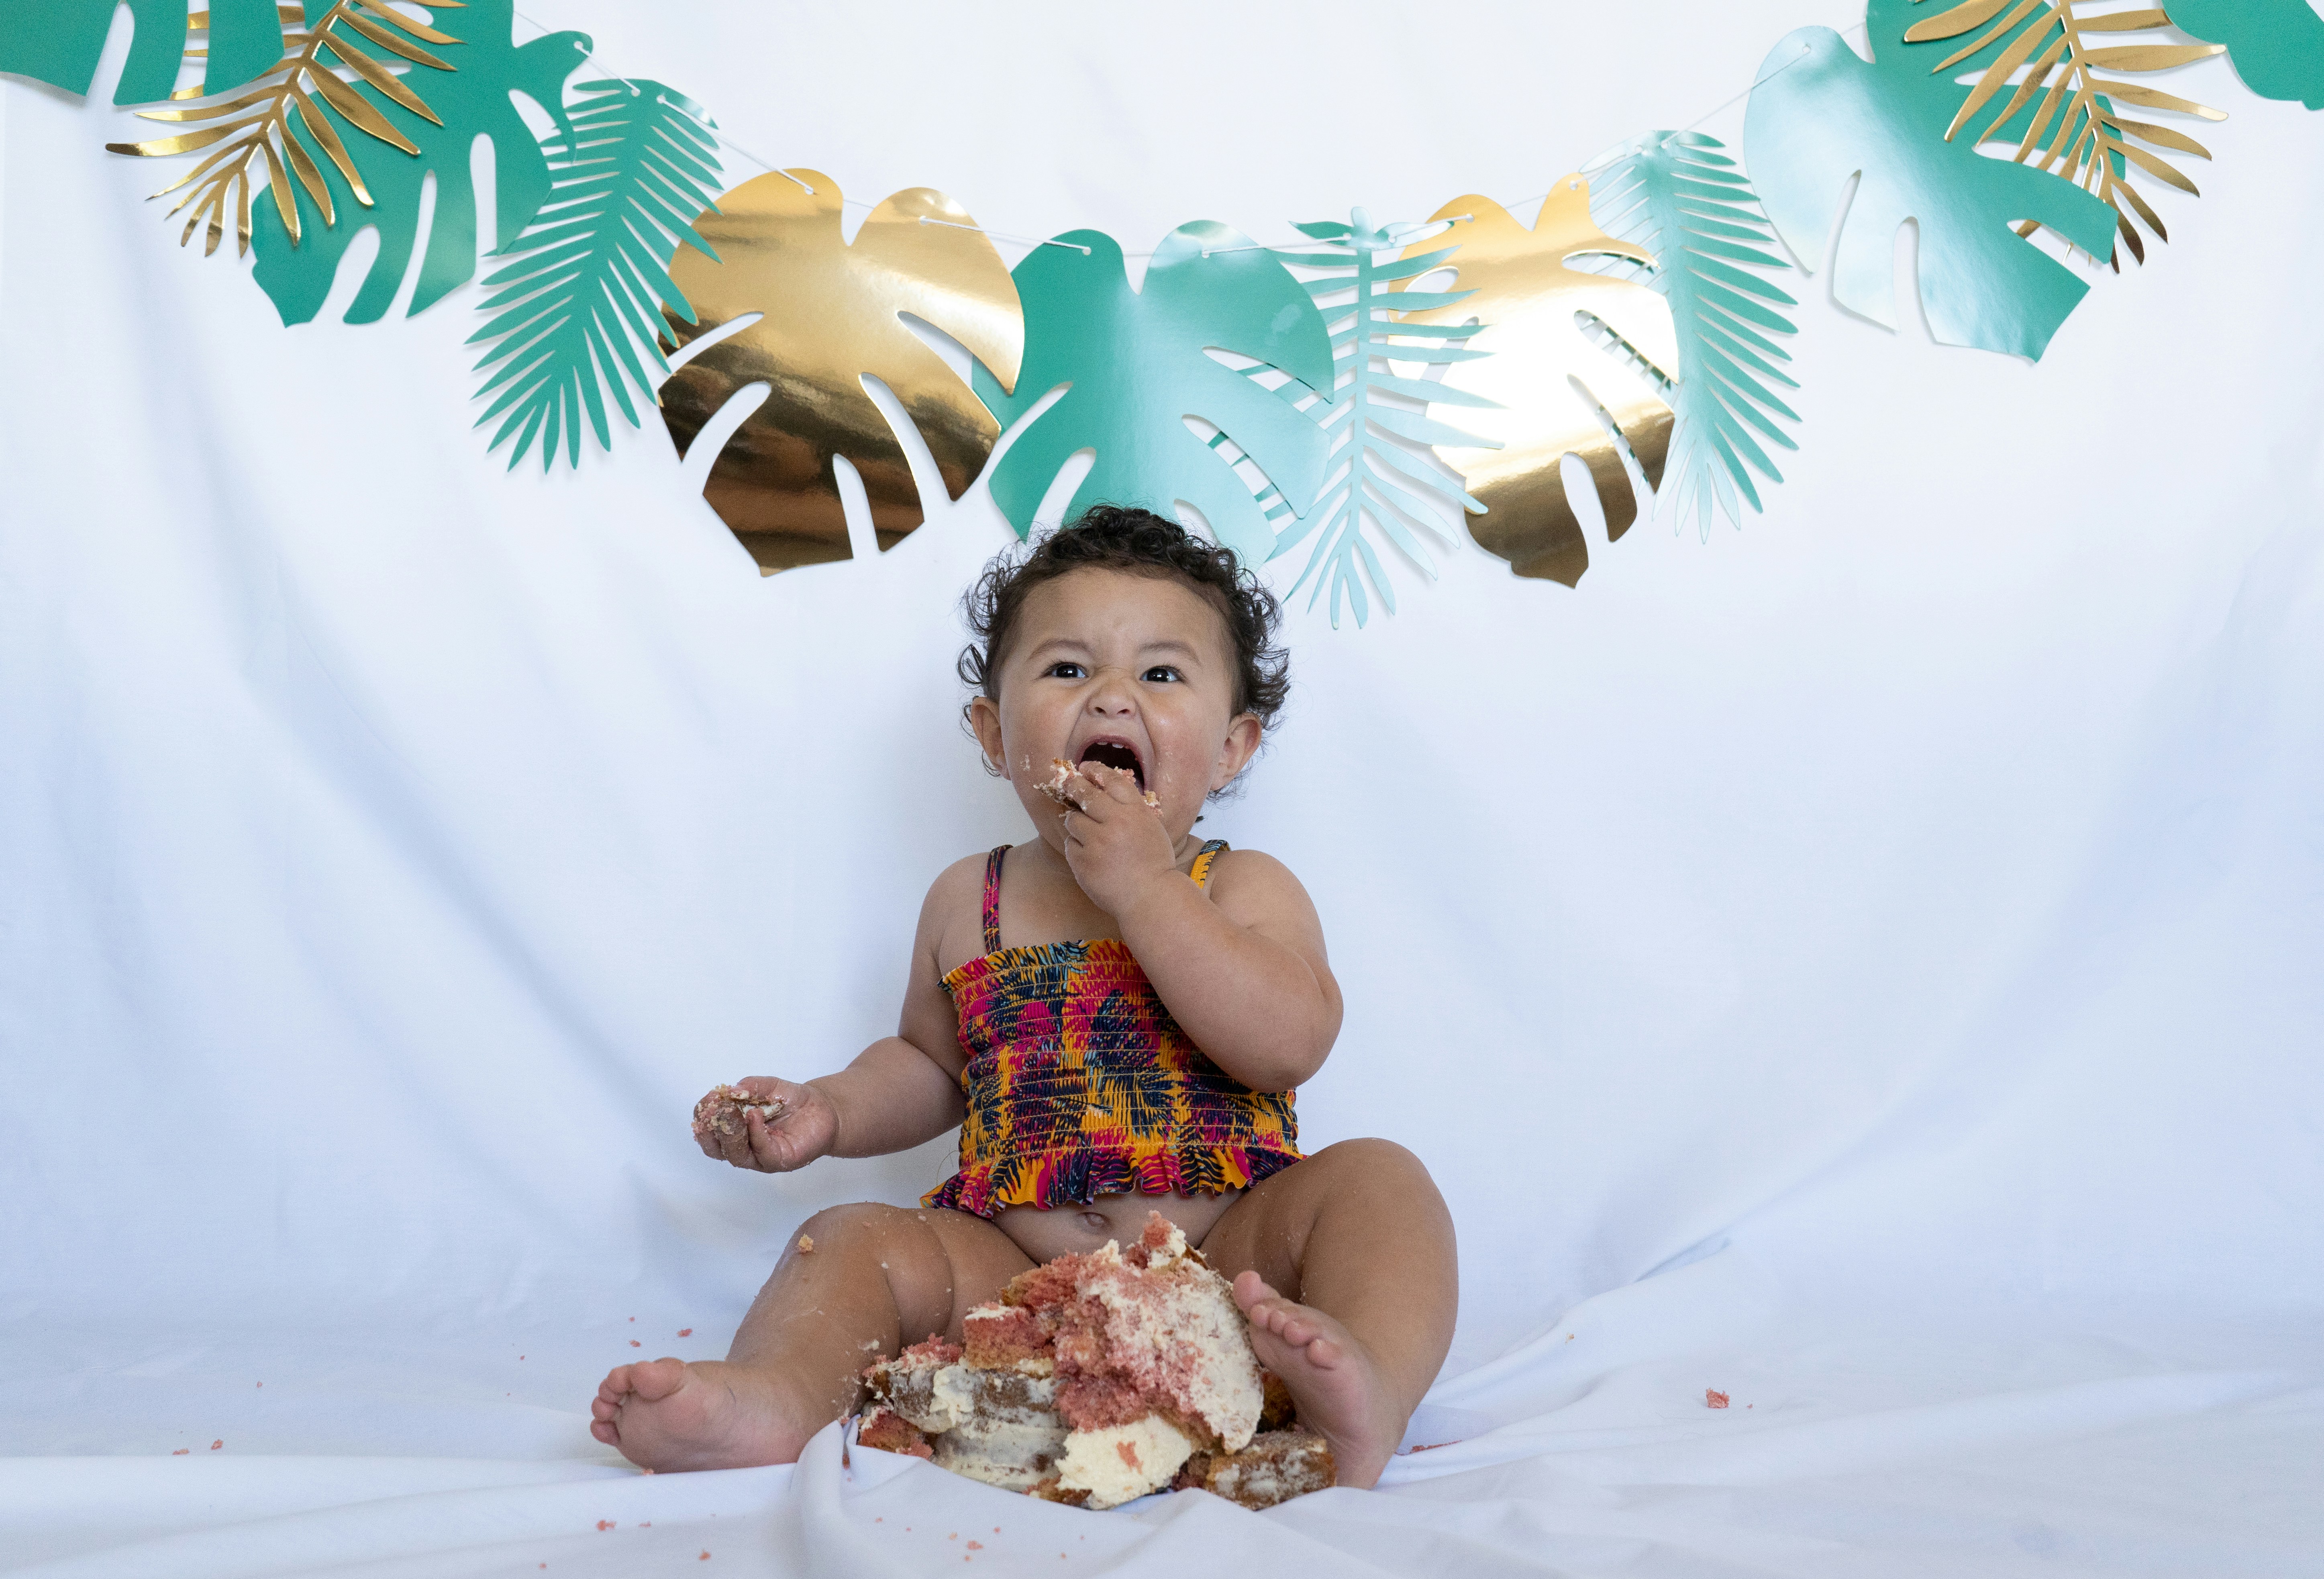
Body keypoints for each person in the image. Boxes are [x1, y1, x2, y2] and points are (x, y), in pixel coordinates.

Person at [590, 505, 1457, 1489]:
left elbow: (1289, 1041)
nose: (1113, 699)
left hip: (1224, 1260)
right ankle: (770, 1397)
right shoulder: (973, 898)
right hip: (1014, 1275)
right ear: (996, 736)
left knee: (1382, 1183)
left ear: (1231, 747)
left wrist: (1144, 887)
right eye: (1067, 669)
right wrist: (829, 1108)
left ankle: (1366, 1390)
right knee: (851, 1239)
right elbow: (927, 1066)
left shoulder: (1238, 885)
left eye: (1161, 673)